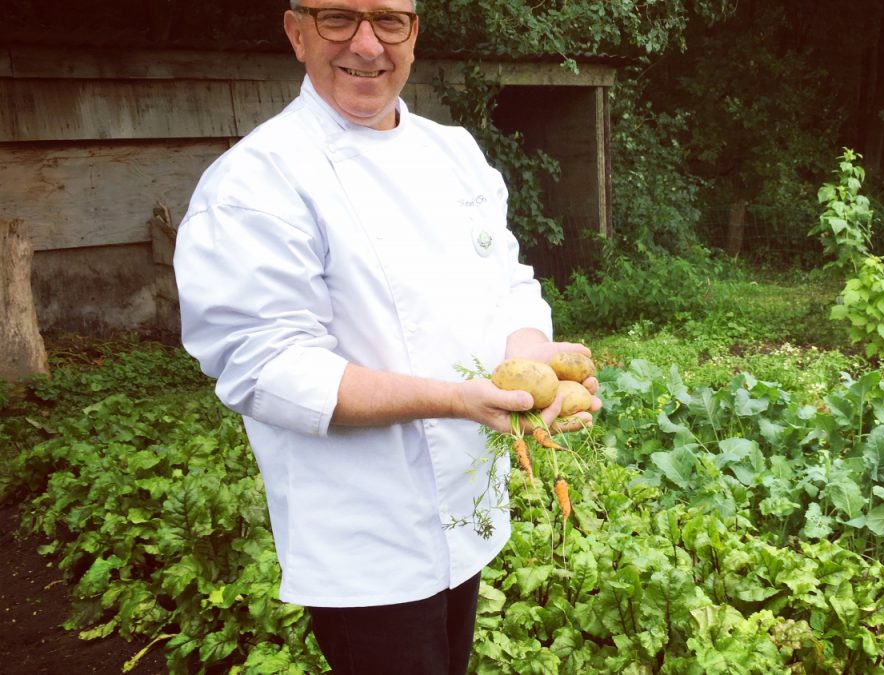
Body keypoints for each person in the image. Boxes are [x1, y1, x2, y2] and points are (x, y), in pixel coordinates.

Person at [173, 1, 600, 672]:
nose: (367, 44)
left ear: (414, 33)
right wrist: (455, 399)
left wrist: (530, 354)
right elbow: (268, 367)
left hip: (466, 506)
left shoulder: (453, 153)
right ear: (296, 32)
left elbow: (509, 280)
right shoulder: (256, 180)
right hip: (363, 534)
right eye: (338, 17)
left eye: (389, 20)